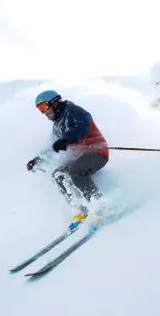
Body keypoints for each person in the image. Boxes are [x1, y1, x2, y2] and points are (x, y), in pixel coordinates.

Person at [27, 90, 109, 227]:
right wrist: (38, 160)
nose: (44, 113)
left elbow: (83, 126)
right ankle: (80, 210)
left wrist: (66, 139)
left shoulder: (73, 110)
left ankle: (100, 206)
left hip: (97, 152)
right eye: (40, 110)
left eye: (43, 107)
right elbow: (54, 147)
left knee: (75, 171)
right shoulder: (57, 125)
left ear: (54, 102)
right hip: (81, 157)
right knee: (58, 174)